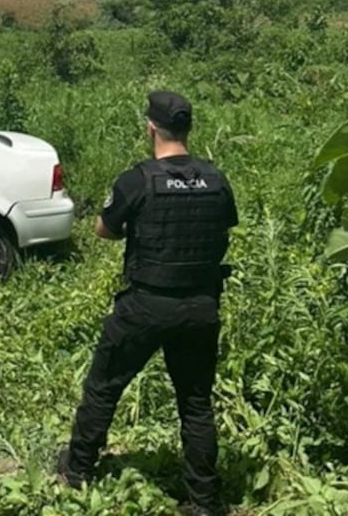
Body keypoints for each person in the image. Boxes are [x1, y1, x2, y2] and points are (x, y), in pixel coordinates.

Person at [56, 90, 238, 516]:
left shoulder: (137, 179)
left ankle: (78, 468)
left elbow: (104, 229)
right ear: (188, 128)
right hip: (200, 307)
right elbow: (223, 227)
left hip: (147, 305)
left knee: (104, 385)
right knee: (196, 402)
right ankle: (205, 501)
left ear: (151, 127)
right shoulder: (216, 179)